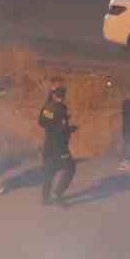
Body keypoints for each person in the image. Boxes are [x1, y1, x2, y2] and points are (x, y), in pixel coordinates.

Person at [37, 78, 78, 206]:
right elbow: (62, 129)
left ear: (54, 95)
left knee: (49, 172)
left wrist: (53, 126)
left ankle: (45, 198)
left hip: (48, 145)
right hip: (59, 147)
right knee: (71, 168)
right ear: (63, 97)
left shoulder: (46, 107)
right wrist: (71, 129)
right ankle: (58, 193)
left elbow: (41, 122)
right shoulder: (62, 109)